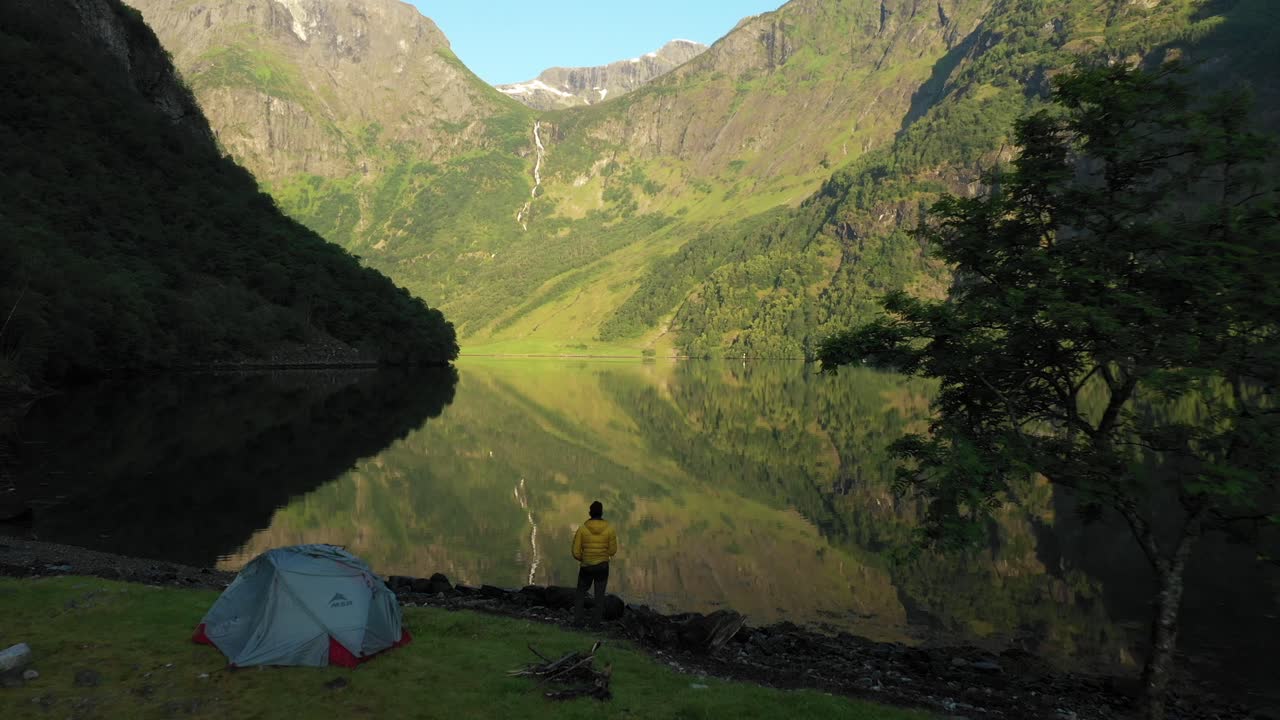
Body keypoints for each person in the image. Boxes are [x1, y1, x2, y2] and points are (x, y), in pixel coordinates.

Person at [571, 500, 617, 626]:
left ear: (590, 513)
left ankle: (577, 621)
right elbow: (612, 551)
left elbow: (575, 552)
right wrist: (603, 555)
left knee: (580, 593)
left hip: (586, 567)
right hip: (602, 566)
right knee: (599, 596)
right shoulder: (610, 529)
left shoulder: (582, 529)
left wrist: (584, 558)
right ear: (601, 513)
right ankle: (596, 623)